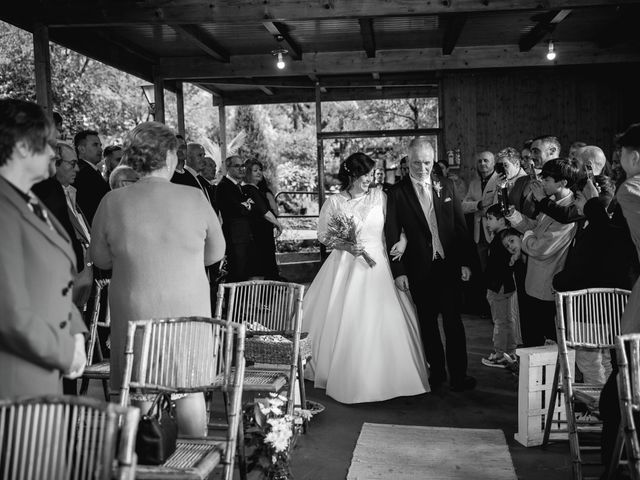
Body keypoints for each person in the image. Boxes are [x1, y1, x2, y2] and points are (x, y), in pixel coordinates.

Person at [91, 121, 225, 436]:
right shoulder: (193, 197)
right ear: (169, 157)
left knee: (141, 394)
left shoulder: (112, 201)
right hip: (187, 310)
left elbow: (100, 259)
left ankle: (143, 460)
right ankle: (195, 463)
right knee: (189, 389)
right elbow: (215, 253)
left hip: (136, 310)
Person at [303, 152, 430, 403]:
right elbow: (322, 235)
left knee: (386, 317)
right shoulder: (335, 202)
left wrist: (403, 242)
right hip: (345, 265)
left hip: (379, 264)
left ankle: (395, 375)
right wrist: (345, 245)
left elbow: (399, 226)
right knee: (345, 317)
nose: (369, 180)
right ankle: (346, 375)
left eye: (371, 175)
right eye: (364, 175)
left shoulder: (380, 197)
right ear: (351, 175)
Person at [0, 98, 87, 398]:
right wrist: (66, 352)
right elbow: (8, 313)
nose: (53, 152)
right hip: (15, 381)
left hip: (43, 368)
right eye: (47, 142)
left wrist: (76, 332)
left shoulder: (31, 199)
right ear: (23, 145)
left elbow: (57, 278)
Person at [385, 137, 476, 392]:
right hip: (418, 268)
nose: (422, 169)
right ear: (407, 162)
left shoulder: (446, 186)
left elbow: (460, 226)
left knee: (454, 323)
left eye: (426, 163)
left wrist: (466, 262)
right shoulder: (396, 193)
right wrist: (398, 271)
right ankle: (436, 374)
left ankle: (459, 375)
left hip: (447, 266)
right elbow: (392, 233)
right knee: (427, 324)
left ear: (433, 161)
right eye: (416, 163)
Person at [506, 157, 578, 346]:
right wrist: (514, 216)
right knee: (535, 334)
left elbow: (540, 248)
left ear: (562, 182)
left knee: (549, 339)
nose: (542, 184)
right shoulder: (552, 201)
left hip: (547, 282)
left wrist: (525, 237)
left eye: (546, 180)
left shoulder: (567, 210)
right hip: (536, 278)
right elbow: (536, 227)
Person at [481, 204, 518, 369]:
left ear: (502, 220)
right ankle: (510, 352)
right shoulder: (504, 235)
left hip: (498, 285)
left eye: (490, 219)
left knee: (500, 321)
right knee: (507, 320)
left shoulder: (504, 237)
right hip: (505, 284)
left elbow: (511, 254)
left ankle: (499, 354)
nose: (487, 222)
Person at [216, 155, 255, 282]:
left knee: (244, 275)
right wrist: (246, 205)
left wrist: (246, 205)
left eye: (242, 165)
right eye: (237, 166)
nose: (241, 169)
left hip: (244, 237)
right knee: (235, 276)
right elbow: (238, 210)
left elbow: (251, 208)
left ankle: (242, 302)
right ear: (228, 168)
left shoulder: (241, 187)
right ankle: (233, 302)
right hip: (234, 239)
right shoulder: (223, 186)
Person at [243, 159, 283, 280]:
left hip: (262, 233)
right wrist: (278, 224)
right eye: (255, 170)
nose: (259, 172)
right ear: (248, 172)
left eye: (260, 170)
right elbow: (264, 211)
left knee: (264, 267)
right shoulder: (251, 189)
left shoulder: (255, 189)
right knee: (260, 267)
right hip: (259, 234)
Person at [74, 129, 107, 224]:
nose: (100, 149)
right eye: (95, 145)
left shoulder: (91, 170)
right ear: (81, 149)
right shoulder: (83, 173)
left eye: (100, 145)